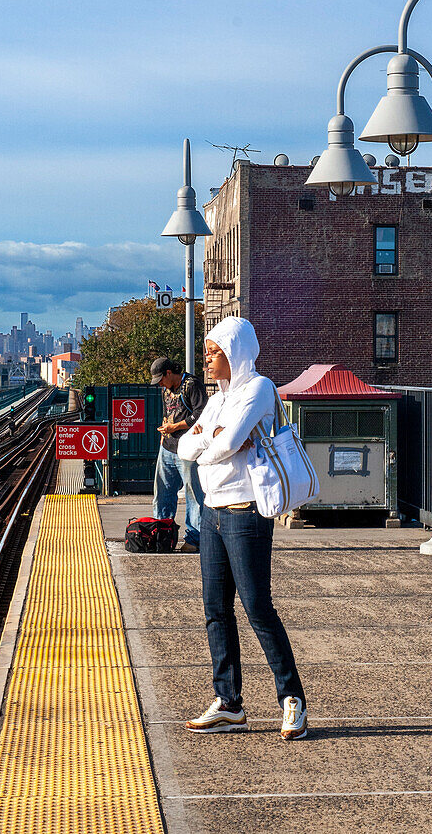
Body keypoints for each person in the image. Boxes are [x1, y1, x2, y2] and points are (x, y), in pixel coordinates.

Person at [177, 316, 308, 741]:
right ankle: (229, 703)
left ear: (236, 352)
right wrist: (210, 438)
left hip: (246, 514)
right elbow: (185, 444)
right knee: (215, 610)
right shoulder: (216, 399)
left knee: (257, 608)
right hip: (212, 515)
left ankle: (293, 699)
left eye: (215, 352)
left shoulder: (259, 389)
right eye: (208, 352)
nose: (208, 359)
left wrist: (210, 442)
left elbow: (227, 443)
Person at [151, 357, 207, 553]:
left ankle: (194, 539)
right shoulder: (165, 389)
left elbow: (201, 414)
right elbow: (167, 411)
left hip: (188, 447)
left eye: (161, 379)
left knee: (193, 494)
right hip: (167, 446)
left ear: (169, 373)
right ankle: (161, 533)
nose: (160, 384)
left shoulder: (192, 385)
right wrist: (165, 430)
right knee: (162, 492)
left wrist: (174, 426)